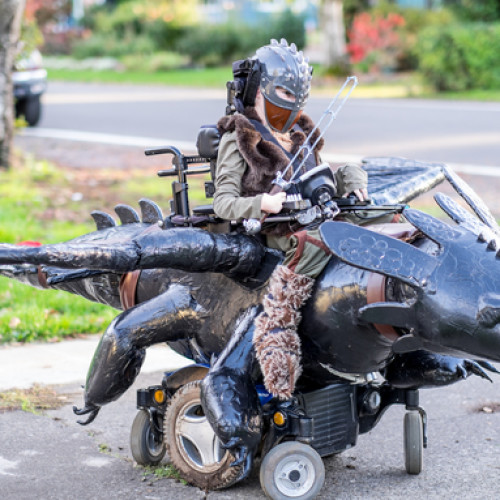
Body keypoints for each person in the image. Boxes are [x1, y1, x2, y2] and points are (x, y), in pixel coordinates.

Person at [213, 39, 369, 400]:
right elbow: (223, 202)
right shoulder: (240, 137)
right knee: (318, 240)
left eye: (298, 96)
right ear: (258, 90)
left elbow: (326, 175)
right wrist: (261, 203)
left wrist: (354, 181)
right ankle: (278, 323)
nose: (291, 104)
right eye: (282, 92)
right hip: (279, 229)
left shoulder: (302, 134)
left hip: (316, 213)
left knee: (384, 217)